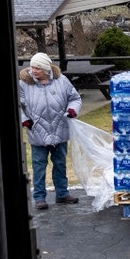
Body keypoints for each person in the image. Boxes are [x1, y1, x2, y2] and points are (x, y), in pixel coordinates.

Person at [18, 52, 82, 210]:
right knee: (39, 166)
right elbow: (18, 106)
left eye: (37, 68)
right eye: (32, 67)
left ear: (46, 69)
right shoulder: (23, 84)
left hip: (59, 131)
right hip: (37, 133)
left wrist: (72, 110)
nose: (33, 70)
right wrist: (24, 120)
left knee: (60, 164)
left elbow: (75, 98)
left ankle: (62, 193)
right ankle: (39, 197)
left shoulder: (62, 81)